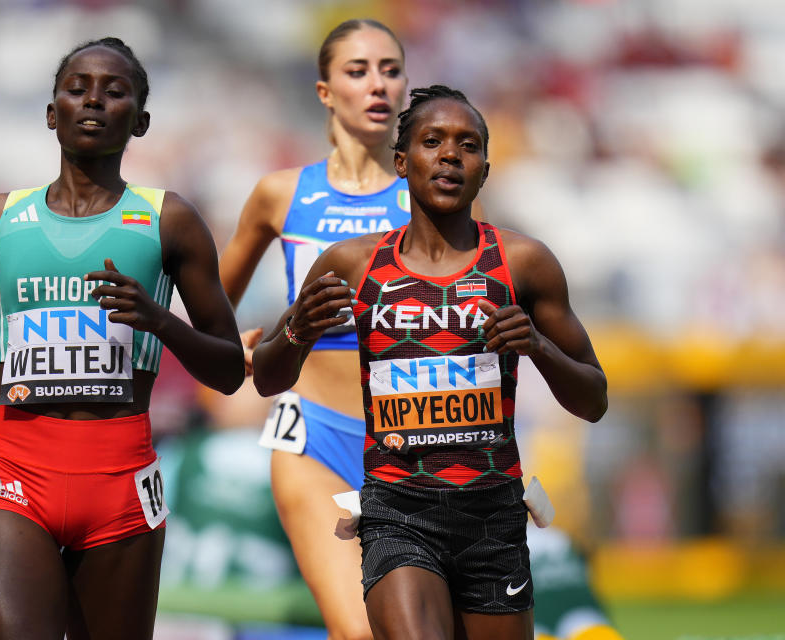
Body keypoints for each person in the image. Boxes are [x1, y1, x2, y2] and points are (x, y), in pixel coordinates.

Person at [252, 85, 608, 640]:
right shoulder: (353, 262)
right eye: (432, 141)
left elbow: (594, 399)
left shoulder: (524, 263)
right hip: (398, 511)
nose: (449, 155)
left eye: (467, 145)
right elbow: (269, 376)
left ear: (485, 170)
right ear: (402, 161)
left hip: (493, 517)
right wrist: (300, 330)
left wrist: (537, 346)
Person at [0, 37, 244, 640]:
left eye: (115, 90)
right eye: (77, 88)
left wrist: (159, 320)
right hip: (15, 468)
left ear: (141, 121)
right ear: (52, 113)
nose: (94, 99)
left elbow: (228, 369)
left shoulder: (168, 219)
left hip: (119, 478)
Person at [217, 18, 410, 640]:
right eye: (358, 71)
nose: (377, 85)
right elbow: (209, 304)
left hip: (421, 445)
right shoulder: (280, 195)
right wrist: (232, 347)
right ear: (325, 91)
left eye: (391, 69)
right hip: (314, 439)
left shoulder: (435, 195)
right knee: (361, 632)